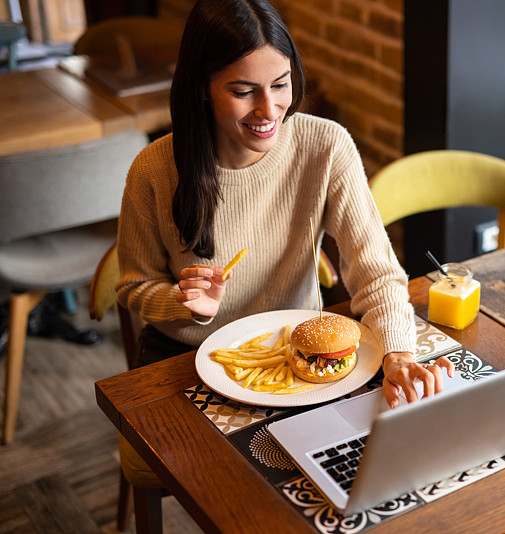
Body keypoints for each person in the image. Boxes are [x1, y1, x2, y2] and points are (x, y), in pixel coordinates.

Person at [115, 0, 452, 408]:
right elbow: (133, 285)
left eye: (280, 84)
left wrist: (398, 353)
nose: (269, 109)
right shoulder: (153, 168)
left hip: (299, 351)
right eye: (243, 91)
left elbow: (376, 273)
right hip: (182, 356)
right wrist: (182, 302)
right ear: (201, 88)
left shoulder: (326, 147)